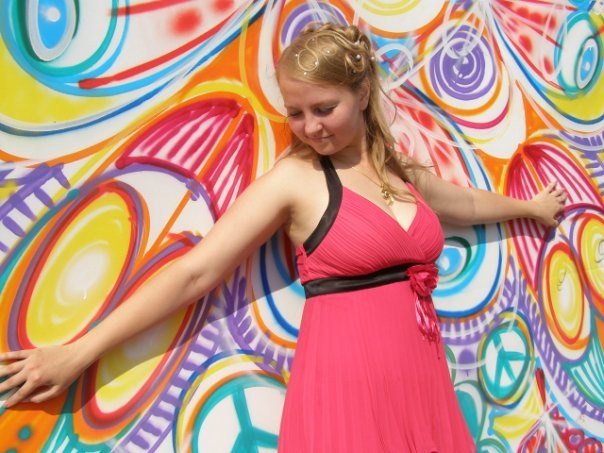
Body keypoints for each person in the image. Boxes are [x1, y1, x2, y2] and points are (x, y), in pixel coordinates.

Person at [0, 23, 566, 452]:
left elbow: (464, 204)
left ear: (363, 93)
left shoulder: (398, 170)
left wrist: (532, 209)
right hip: (346, 385)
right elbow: (196, 272)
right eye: (295, 113)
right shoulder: (294, 180)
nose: (310, 127)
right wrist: (78, 353)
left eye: (324, 108)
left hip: (421, 373)